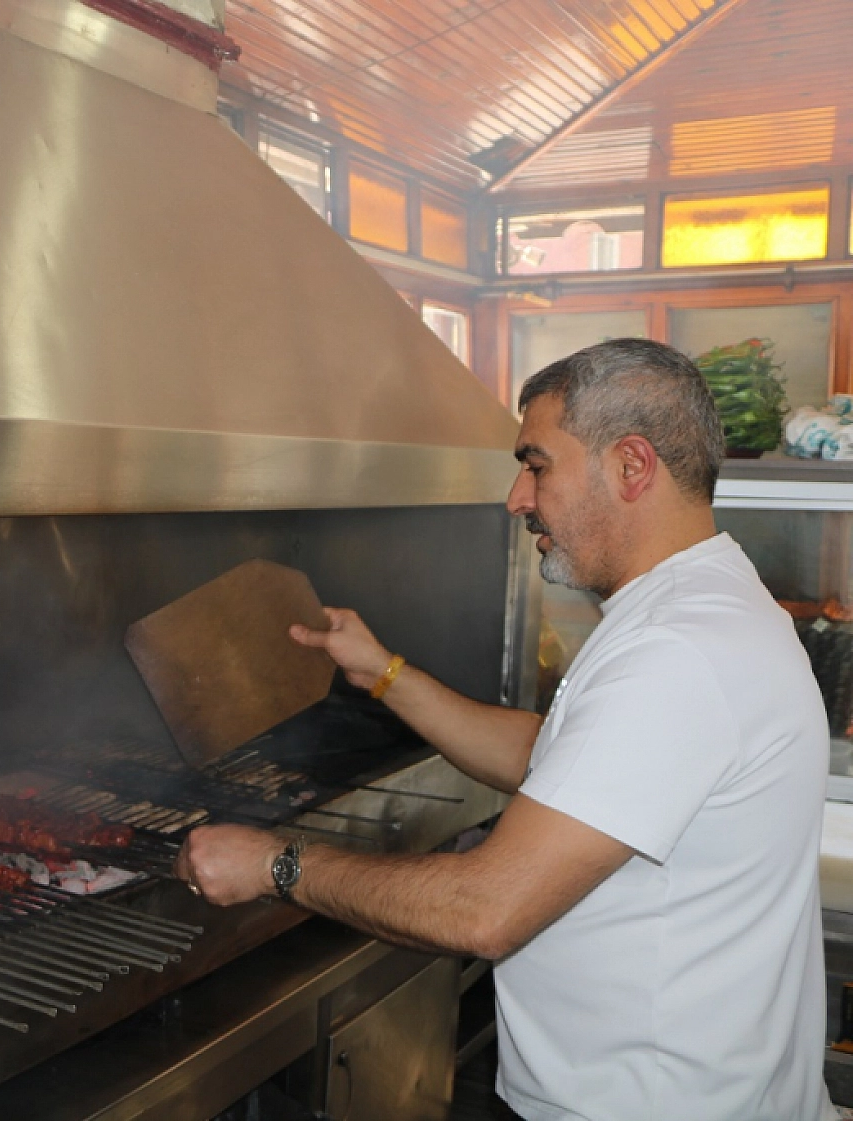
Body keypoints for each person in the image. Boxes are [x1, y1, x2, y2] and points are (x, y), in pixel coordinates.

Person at [174, 338, 834, 1121]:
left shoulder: (678, 651)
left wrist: (274, 863)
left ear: (631, 466)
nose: (517, 497)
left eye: (538, 464)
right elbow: (552, 759)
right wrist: (383, 672)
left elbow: (486, 908)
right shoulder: (701, 604)